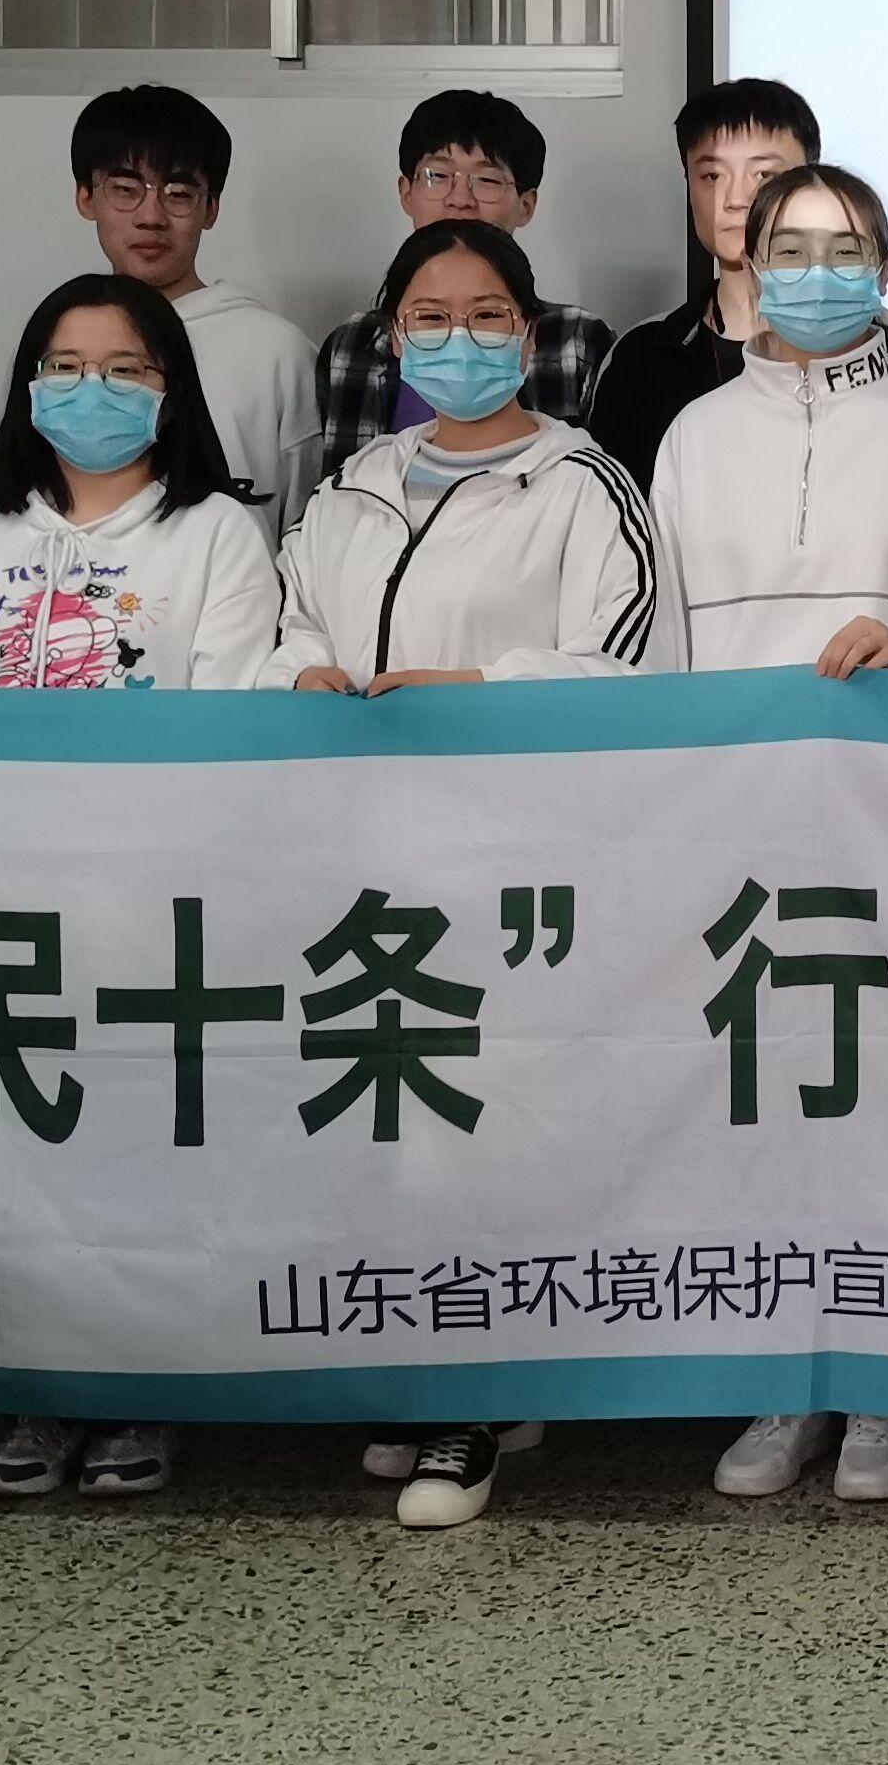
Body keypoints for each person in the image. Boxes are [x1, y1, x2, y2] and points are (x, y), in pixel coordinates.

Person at [279, 218, 684, 1532]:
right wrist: (300, 677)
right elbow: (287, 624)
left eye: (488, 316)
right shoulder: (350, 489)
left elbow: (632, 673)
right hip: (361, 858)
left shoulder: (585, 486)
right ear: (393, 337)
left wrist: (479, 689)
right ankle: (432, 1372)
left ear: (531, 332)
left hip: (516, 863)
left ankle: (479, 1393)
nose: (460, 341)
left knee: (490, 1127)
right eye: (431, 319)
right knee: (391, 1121)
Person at [655, 162, 888, 1515]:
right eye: (793, 246)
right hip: (738, 813)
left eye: (848, 245)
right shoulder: (694, 434)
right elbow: (662, 629)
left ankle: (887, 1380)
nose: (820, 271)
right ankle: (782, 1372)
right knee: (761, 1091)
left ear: (886, 267)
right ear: (749, 264)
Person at [0, 273, 280, 1505]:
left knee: (139, 1154)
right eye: (65, 366)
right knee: (13, 1155)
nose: (91, 391)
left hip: (144, 901)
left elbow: (228, 725)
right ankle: (34, 1392)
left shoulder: (214, 533)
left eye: (125, 369)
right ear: (27, 383)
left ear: (170, 391)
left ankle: (140, 1394)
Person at [593, 77, 888, 489]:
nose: (735, 199)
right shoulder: (642, 356)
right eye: (711, 176)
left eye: (764, 174)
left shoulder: (885, 340)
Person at [309, 90, 616, 480]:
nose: (460, 199)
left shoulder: (577, 344)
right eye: (437, 176)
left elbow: (604, 482)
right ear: (406, 192)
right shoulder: (352, 348)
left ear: (526, 204)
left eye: (486, 180)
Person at [73, 85, 321, 524]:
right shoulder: (62, 346)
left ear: (211, 209)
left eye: (178, 193)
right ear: (86, 198)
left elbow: (308, 529)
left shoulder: (277, 352)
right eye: (126, 189)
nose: (151, 217)